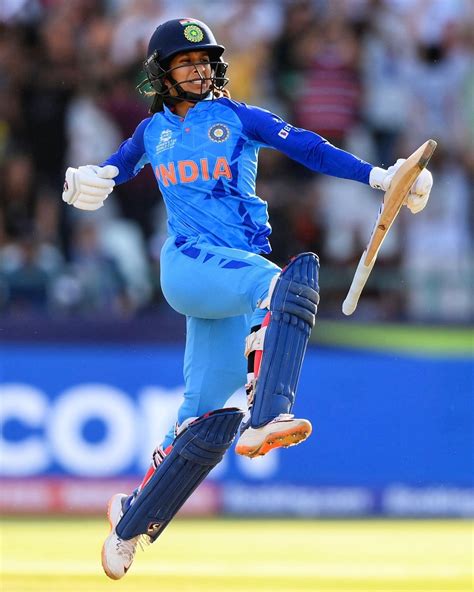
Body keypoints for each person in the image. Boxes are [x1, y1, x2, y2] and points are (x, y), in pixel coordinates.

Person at [61, 18, 433, 580]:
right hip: (189, 264)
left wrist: (382, 177)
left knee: (205, 417)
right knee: (281, 285)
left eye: (204, 60)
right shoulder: (152, 131)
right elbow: (111, 169)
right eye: (186, 62)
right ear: (162, 74)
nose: (199, 69)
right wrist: (87, 180)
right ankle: (270, 411)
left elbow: (308, 148)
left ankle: (130, 520)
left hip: (231, 281)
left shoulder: (238, 117)